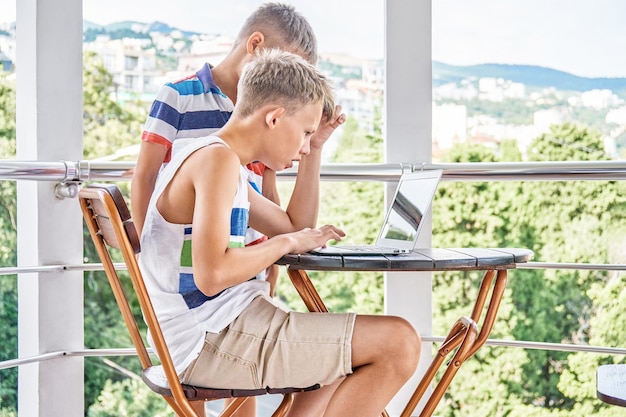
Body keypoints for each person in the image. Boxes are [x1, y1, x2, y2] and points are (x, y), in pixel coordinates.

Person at [138, 48, 421, 417]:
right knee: (399, 343)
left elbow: (294, 225)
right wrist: (285, 243)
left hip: (219, 328)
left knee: (346, 354)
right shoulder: (217, 162)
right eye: (304, 132)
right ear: (274, 117)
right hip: (205, 341)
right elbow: (212, 276)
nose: (303, 147)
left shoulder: (220, 160)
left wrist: (316, 149)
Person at [131, 3, 321, 301]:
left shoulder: (268, 119)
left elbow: (267, 193)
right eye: (285, 66)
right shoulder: (180, 97)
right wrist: (149, 258)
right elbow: (145, 177)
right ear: (256, 44)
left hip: (246, 270)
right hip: (203, 282)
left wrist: (271, 261)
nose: (290, 86)